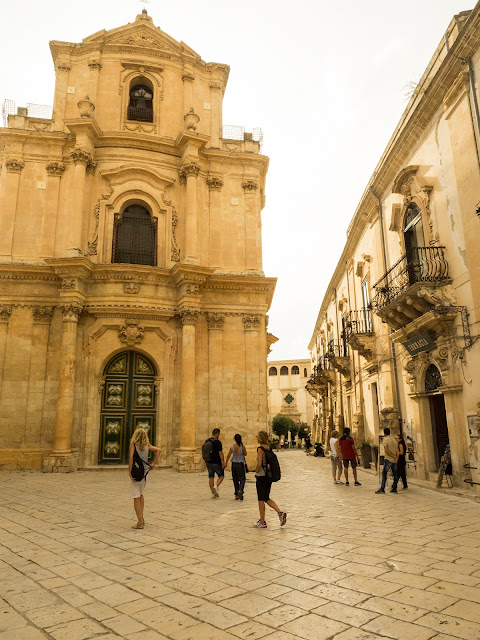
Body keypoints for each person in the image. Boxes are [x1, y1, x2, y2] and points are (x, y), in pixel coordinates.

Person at [253, 431, 287, 528]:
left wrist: (255, 470)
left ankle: (262, 521)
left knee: (260, 499)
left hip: (261, 477)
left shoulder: (260, 449)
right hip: (268, 477)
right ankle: (280, 513)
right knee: (266, 498)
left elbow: (259, 464)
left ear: (260, 438)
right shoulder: (268, 447)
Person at [129, 427, 161, 529]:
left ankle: (140, 522)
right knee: (141, 495)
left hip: (136, 472)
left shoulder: (133, 446)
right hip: (144, 474)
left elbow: (130, 459)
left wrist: (130, 472)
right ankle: (141, 518)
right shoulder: (147, 446)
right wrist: (153, 463)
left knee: (135, 497)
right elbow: (159, 450)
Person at [224, 433, 247, 500]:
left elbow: (228, 455)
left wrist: (225, 462)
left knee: (235, 479)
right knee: (242, 479)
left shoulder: (232, 446)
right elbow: (245, 454)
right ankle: (240, 490)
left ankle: (236, 494)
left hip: (234, 464)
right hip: (240, 464)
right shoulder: (242, 447)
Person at [376, 427, 399, 494]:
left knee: (384, 473)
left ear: (384, 433)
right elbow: (397, 450)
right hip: (394, 460)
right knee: (395, 474)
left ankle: (382, 488)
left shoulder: (385, 440)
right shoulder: (394, 440)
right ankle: (394, 488)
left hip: (388, 459)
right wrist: (396, 457)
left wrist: (393, 456)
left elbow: (386, 450)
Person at [206, 428, 225, 498]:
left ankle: (213, 493)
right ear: (217, 434)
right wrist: (223, 462)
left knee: (211, 477)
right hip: (216, 462)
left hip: (208, 461)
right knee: (221, 476)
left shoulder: (207, 441)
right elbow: (220, 453)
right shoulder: (218, 442)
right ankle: (216, 486)